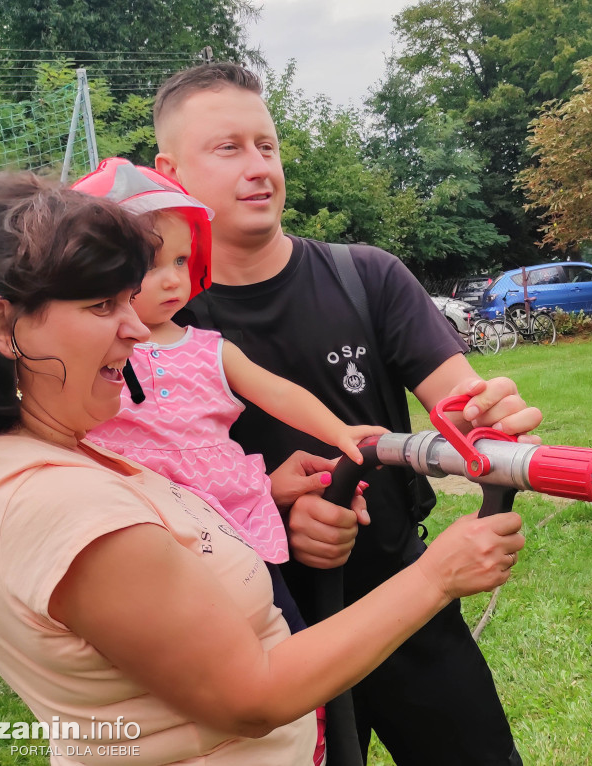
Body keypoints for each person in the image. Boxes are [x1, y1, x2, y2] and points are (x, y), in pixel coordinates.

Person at [0, 173, 524, 766]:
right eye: (100, 305)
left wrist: (266, 490)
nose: (132, 328)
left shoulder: (2, 451)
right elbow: (252, 696)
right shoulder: (55, 504)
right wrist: (438, 574)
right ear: (3, 326)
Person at [152, 62, 542, 766]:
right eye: (228, 148)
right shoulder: (154, 323)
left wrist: (489, 415)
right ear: (169, 170)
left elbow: (459, 398)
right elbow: (139, 486)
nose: (258, 168)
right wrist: (273, 509)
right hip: (264, 630)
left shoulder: (365, 275)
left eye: (266, 146)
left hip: (407, 598)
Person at [76, 158, 385, 566]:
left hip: (231, 519)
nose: (173, 279)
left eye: (182, 260)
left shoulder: (208, 349)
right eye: (150, 264)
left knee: (271, 615)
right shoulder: (89, 351)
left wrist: (338, 430)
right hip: (138, 522)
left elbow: (276, 391)